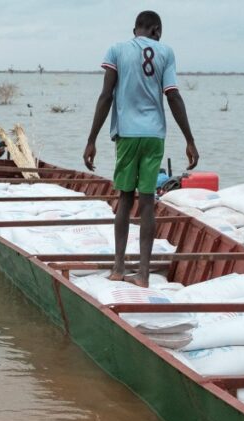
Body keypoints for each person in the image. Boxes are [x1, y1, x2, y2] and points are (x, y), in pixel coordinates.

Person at [83, 10, 199, 288]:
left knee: (124, 199)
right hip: (154, 135)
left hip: (127, 135)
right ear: (156, 30)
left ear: (135, 29)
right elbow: (173, 95)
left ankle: (118, 268)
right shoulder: (166, 52)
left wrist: (91, 140)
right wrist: (190, 140)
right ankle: (144, 274)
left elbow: (106, 95)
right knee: (148, 202)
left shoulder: (117, 50)